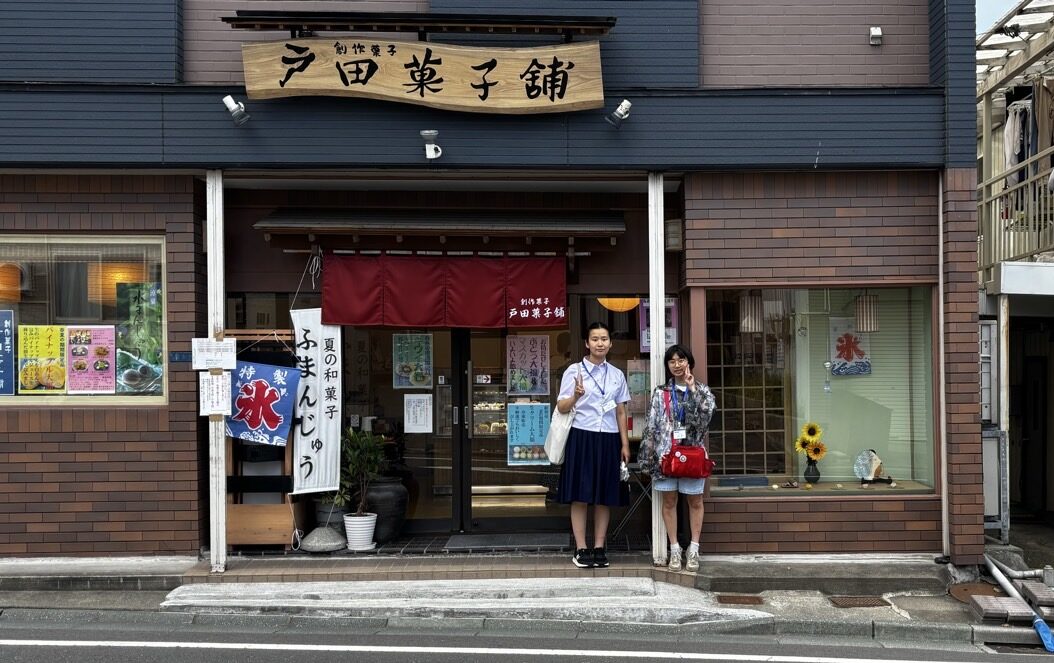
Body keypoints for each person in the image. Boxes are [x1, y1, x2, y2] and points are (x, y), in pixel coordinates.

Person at [556, 322, 631, 569]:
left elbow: (621, 411)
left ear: (610, 343)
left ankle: (599, 547)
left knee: (603, 496)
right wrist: (576, 396)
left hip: (609, 438)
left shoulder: (617, 375)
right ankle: (581, 548)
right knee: (580, 495)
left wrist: (624, 444)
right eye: (595, 339)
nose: (600, 343)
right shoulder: (574, 371)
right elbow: (561, 407)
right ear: (587, 343)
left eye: (604, 339)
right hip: (581, 436)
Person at [639, 344, 715, 572]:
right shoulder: (661, 392)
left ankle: (694, 549)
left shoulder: (702, 390)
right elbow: (651, 426)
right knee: (669, 502)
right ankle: (674, 549)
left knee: (695, 501)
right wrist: (647, 458)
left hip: (692, 456)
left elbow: (706, 419)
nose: (677, 365)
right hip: (666, 456)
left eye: (681, 360)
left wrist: (692, 389)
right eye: (672, 361)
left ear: (689, 362)